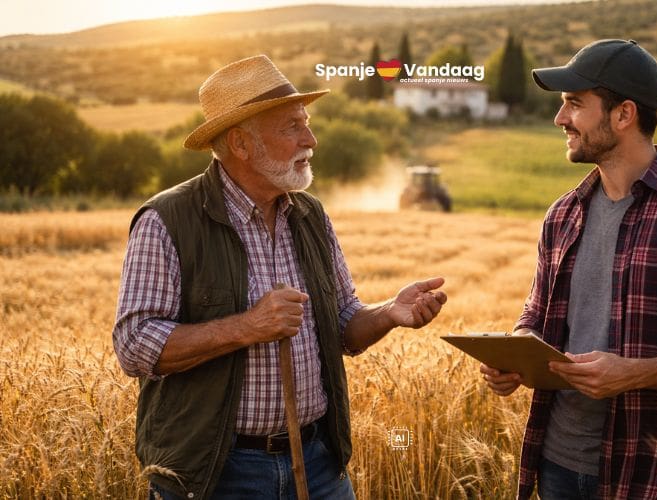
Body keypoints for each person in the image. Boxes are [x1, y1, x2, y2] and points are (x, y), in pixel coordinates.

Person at [112, 55, 447, 500]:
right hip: (216, 473)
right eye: (292, 127)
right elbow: (134, 345)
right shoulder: (168, 220)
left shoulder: (309, 215)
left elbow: (342, 324)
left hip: (317, 462)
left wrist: (389, 313)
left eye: (306, 123)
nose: (311, 139)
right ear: (241, 143)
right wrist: (248, 326)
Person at [479, 39, 657, 499]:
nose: (560, 118)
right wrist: (515, 357)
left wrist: (637, 372)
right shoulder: (563, 214)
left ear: (623, 115)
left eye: (575, 104)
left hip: (655, 479)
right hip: (557, 464)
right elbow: (536, 314)